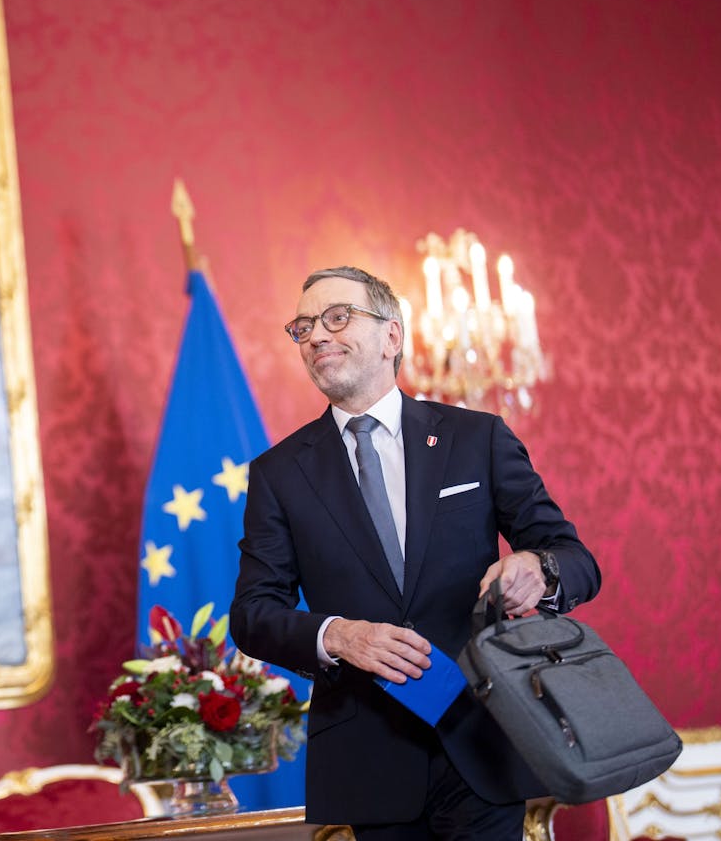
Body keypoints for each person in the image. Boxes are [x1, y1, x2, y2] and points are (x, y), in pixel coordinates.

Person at [229, 266, 600, 839]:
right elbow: (253, 615)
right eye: (303, 328)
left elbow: (572, 557)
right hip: (370, 758)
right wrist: (338, 635)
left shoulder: (478, 439)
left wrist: (538, 569)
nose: (318, 336)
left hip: (484, 737)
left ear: (392, 336)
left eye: (337, 317)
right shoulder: (279, 474)